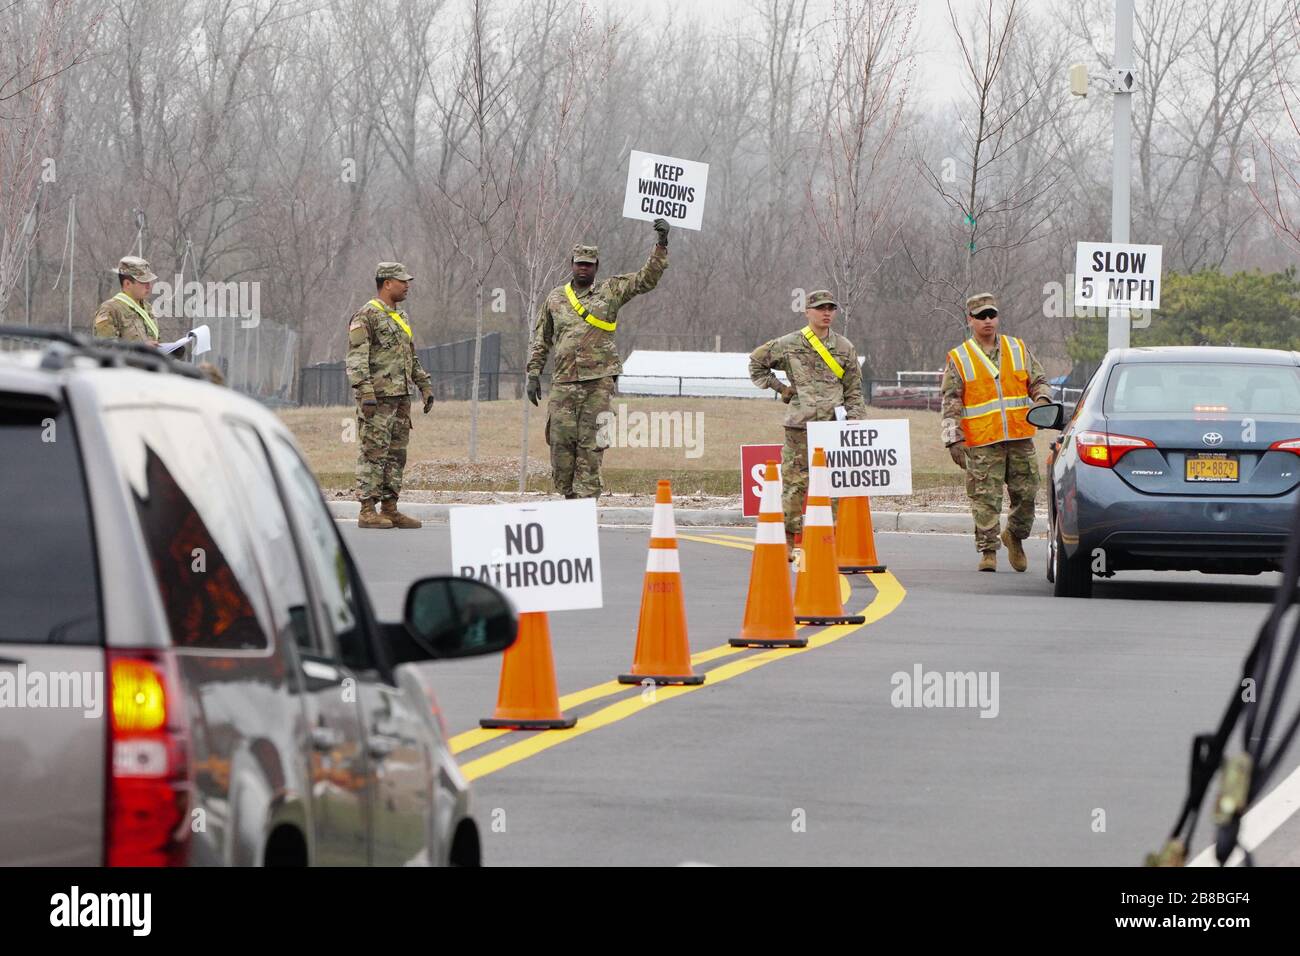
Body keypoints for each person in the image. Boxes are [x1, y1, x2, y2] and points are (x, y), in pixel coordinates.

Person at [526, 218, 669, 498]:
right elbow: (542, 338)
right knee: (560, 442)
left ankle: (586, 500)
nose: (583, 268)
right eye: (579, 263)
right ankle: (567, 496)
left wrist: (661, 245)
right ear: (571, 265)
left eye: (588, 265)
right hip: (564, 383)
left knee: (592, 443)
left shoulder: (610, 291)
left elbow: (645, 279)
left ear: (596, 267)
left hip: (598, 383)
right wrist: (533, 373)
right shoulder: (556, 298)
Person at [749, 290, 867, 555]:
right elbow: (756, 363)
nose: (826, 313)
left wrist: (856, 423)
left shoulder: (844, 347)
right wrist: (781, 388)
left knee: (835, 484)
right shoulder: (789, 343)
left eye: (830, 308)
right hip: (800, 426)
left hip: (833, 427)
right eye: (820, 308)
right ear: (808, 312)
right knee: (794, 484)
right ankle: (788, 541)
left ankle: (830, 541)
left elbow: (854, 390)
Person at [941, 292, 1053, 572]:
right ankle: (988, 551)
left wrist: (1042, 400)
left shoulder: (1017, 348)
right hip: (982, 441)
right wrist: (953, 438)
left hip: (1018, 436)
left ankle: (1014, 535)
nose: (988, 320)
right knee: (985, 498)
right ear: (970, 320)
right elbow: (951, 399)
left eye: (992, 315)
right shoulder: (960, 357)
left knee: (1027, 493)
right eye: (981, 316)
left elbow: (1038, 380)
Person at [346, 262, 434, 530]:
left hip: (400, 398)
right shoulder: (366, 315)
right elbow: (356, 358)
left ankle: (390, 507)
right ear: (386, 283)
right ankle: (367, 510)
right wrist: (366, 392)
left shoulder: (401, 317)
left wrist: (424, 385)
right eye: (402, 281)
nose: (407, 286)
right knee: (373, 453)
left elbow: (410, 355)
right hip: (378, 399)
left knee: (396, 455)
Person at [93, 256, 160, 345]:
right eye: (143, 282)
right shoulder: (109, 309)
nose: (148, 286)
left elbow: (156, 340)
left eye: (149, 282)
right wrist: (140, 349)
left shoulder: (147, 307)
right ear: (127, 284)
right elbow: (105, 348)